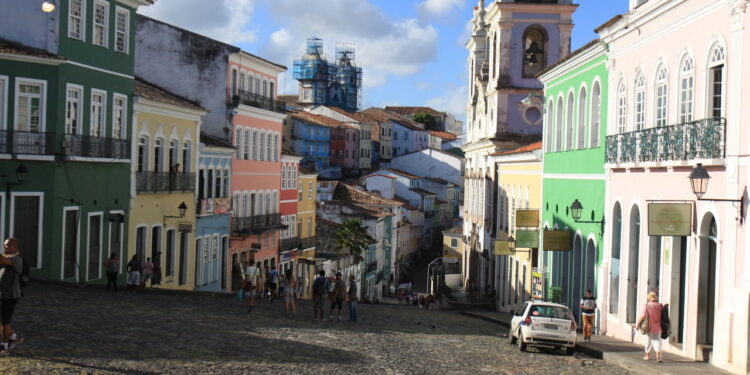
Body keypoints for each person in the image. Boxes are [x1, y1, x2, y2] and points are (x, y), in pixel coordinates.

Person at [0, 238, 24, 355]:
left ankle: (4, 347)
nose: (5, 248)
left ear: (14, 247)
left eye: (7, 246)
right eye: (4, 246)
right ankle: (14, 338)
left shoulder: (16, 259)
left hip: (10, 295)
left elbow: (5, 260)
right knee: (2, 321)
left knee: (5, 323)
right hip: (2, 294)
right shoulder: (5, 258)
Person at [637, 291, 664, 362]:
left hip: (649, 327)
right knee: (657, 340)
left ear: (649, 298)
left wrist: (637, 324)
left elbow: (643, 316)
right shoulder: (660, 305)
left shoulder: (647, 305)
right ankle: (658, 355)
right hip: (658, 326)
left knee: (648, 341)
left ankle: (647, 355)